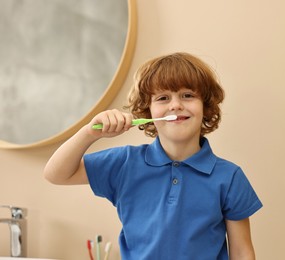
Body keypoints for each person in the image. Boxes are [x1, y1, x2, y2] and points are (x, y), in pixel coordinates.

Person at [44, 52, 262, 260]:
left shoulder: (229, 177)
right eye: (163, 98)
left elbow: (242, 253)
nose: (175, 105)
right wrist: (89, 133)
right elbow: (56, 174)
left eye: (187, 95)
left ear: (205, 107)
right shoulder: (124, 164)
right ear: (147, 112)